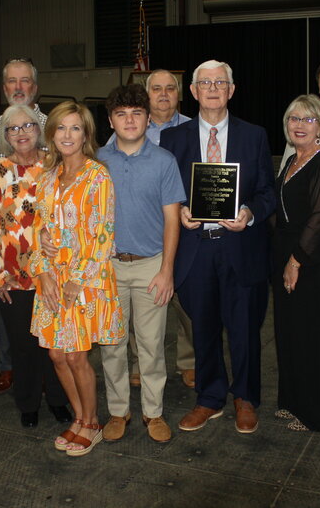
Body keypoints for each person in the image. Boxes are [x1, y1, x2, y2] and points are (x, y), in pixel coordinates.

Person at [160, 59, 275, 434]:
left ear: (231, 90)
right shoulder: (173, 139)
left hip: (239, 245)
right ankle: (209, 399)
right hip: (196, 248)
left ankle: (245, 397)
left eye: (220, 82)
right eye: (205, 82)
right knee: (203, 328)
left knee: (244, 328)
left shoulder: (254, 135)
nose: (212, 88)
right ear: (193, 92)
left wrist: (250, 213)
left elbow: (267, 192)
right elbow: (167, 193)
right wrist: (180, 212)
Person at [28, 101, 124, 457]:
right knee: (56, 354)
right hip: (52, 279)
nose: (67, 135)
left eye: (75, 128)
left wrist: (77, 280)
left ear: (86, 134)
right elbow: (38, 232)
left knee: (76, 357)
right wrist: (43, 271)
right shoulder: (47, 178)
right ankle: (80, 417)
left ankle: (92, 423)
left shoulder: (97, 175)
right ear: (52, 134)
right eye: (61, 128)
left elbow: (104, 234)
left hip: (84, 280)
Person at [97, 84, 186, 444]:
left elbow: (172, 220)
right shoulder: (98, 162)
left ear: (148, 119)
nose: (129, 120)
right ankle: (119, 411)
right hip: (109, 267)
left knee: (151, 347)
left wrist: (167, 270)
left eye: (136, 113)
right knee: (112, 345)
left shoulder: (164, 162)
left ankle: (153, 411)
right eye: (121, 114)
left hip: (151, 266)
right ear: (111, 120)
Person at [0, 104, 71, 428]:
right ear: (5, 136)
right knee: (22, 345)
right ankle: (28, 403)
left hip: (54, 274)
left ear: (39, 128)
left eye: (27, 126)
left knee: (53, 344)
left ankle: (59, 400)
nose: (21, 133)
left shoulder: (55, 166)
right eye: (13, 128)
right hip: (14, 278)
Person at [106, 69, 196, 389]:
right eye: (156, 88)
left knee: (186, 306)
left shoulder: (193, 130)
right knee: (136, 320)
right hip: (133, 243)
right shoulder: (111, 146)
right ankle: (137, 365)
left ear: (179, 93)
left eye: (170, 88)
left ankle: (188, 361)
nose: (163, 94)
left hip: (185, 229)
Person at [0, 58, 48, 395]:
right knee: (11, 323)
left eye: (25, 81)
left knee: (47, 330)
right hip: (9, 254)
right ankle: (9, 368)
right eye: (11, 81)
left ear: (35, 87)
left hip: (48, 255)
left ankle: (50, 381)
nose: (18, 87)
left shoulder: (54, 125)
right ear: (4, 87)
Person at [272, 95, 320, 432]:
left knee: (312, 335)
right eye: (293, 118)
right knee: (288, 332)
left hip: (310, 259)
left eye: (308, 119)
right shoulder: (291, 161)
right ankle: (292, 402)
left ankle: (317, 413)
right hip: (284, 253)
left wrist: (296, 260)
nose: (299, 125)